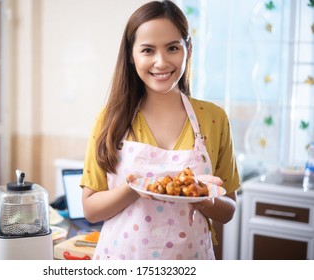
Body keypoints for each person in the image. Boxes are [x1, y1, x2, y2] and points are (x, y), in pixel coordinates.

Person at [80, 0, 240, 260]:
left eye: (172, 48)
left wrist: (202, 198)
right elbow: (90, 209)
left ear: (188, 49)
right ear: (131, 55)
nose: (161, 61)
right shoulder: (110, 119)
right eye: (147, 50)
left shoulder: (214, 118)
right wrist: (134, 189)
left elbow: (230, 209)